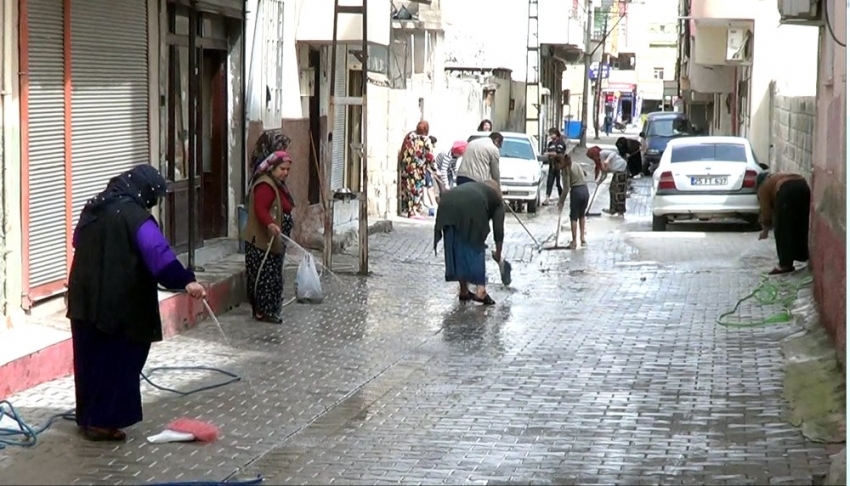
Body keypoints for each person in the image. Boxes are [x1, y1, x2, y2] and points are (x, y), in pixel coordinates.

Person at [66, 165, 207, 442]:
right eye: (153, 196)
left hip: (84, 298)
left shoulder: (94, 208)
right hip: (119, 305)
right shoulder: (137, 219)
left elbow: (76, 241)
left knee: (90, 360)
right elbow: (158, 255)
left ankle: (89, 417)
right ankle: (104, 423)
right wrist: (185, 280)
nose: (153, 203)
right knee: (119, 362)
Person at [434, 179, 505, 306]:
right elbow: (498, 230)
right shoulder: (498, 200)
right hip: (471, 206)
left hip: (447, 203)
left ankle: (464, 290)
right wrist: (498, 253)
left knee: (456, 246)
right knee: (476, 245)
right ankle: (480, 291)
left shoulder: (476, 187)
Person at [244, 151, 295, 324]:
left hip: (274, 242)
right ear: (272, 167)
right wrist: (270, 224)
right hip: (261, 241)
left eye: (287, 170)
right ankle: (263, 310)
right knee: (263, 276)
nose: (285, 173)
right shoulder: (265, 185)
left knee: (274, 276)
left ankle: (271, 309)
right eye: (282, 169)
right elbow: (260, 208)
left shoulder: (278, 185)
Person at [756, 171, 811, 275]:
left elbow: (765, 210)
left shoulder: (763, 187)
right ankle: (802, 255)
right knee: (800, 223)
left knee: (782, 228)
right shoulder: (776, 176)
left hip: (787, 189)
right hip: (803, 185)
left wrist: (765, 230)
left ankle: (785, 264)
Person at [398, 121, 436, 218]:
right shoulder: (425, 140)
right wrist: (434, 169)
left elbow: (404, 152)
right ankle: (413, 212)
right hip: (418, 171)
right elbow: (430, 156)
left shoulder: (410, 136)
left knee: (409, 190)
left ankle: (412, 210)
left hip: (407, 168)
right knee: (416, 190)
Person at [555, 154, 590, 249]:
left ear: (560, 163)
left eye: (557, 166)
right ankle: (582, 238)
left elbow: (566, 189)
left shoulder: (565, 170)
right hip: (585, 190)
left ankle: (574, 241)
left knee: (573, 217)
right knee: (582, 215)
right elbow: (585, 173)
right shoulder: (576, 164)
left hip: (576, 192)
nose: (557, 168)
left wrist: (560, 202)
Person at [587, 146, 629, 217]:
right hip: (616, 172)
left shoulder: (602, 153)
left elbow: (613, 153)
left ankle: (620, 211)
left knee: (619, 191)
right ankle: (613, 209)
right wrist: (599, 181)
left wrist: (608, 160)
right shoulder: (600, 162)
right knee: (612, 189)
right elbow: (604, 174)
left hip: (622, 169)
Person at [543, 127, 567, 206]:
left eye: (552, 134)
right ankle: (547, 198)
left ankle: (561, 199)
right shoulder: (550, 143)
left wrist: (548, 154)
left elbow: (558, 153)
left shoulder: (560, 143)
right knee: (549, 182)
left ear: (556, 134)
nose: (551, 136)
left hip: (559, 166)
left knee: (558, 183)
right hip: (552, 166)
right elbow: (548, 150)